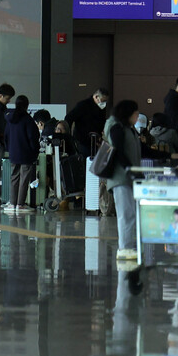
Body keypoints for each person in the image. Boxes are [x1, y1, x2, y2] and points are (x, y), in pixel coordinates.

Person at [105, 100, 143, 263]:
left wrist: (170, 156)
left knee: (130, 214)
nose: (137, 117)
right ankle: (125, 248)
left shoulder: (128, 129)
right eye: (135, 114)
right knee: (126, 214)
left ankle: (127, 246)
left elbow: (139, 149)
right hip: (121, 178)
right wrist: (130, 170)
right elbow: (118, 151)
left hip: (128, 177)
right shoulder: (117, 128)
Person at [66, 87, 111, 214]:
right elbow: (69, 117)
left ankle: (95, 198)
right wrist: (70, 137)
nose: (104, 104)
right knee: (85, 169)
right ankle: (80, 199)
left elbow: (101, 123)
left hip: (95, 141)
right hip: (82, 141)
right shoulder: (83, 105)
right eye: (102, 100)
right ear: (96, 97)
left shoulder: (101, 108)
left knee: (96, 169)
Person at [4, 95, 40, 214]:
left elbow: (6, 136)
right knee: (24, 179)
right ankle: (20, 204)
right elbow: (33, 138)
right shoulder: (28, 120)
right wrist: (35, 151)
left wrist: (9, 149)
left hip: (13, 153)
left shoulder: (10, 120)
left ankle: (12, 203)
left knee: (14, 177)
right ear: (27, 105)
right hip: (26, 154)